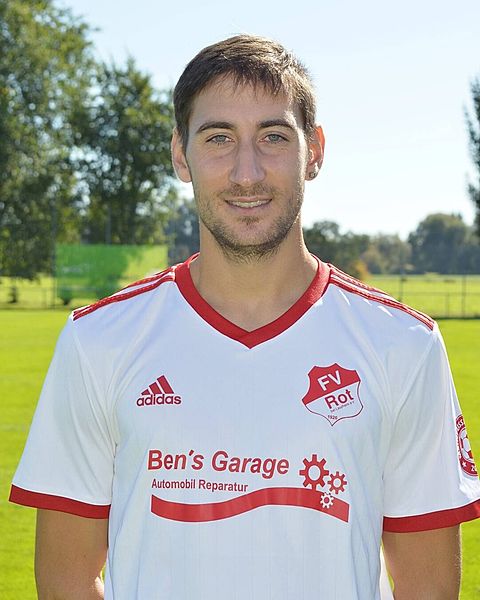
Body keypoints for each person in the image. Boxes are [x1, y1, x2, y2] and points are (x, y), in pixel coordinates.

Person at [10, 34, 480, 599]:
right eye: (219, 138)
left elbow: (429, 587)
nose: (247, 173)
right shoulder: (99, 341)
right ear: (180, 154)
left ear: (315, 151)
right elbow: (65, 580)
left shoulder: (404, 345)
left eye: (273, 137)